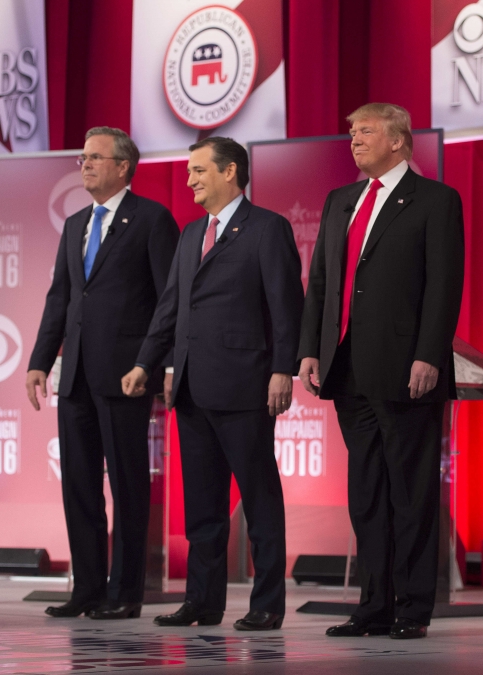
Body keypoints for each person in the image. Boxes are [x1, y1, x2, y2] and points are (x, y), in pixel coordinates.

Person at [297, 103, 465, 640]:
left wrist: (429, 354)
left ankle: (412, 607)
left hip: (405, 367)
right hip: (346, 366)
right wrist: (311, 349)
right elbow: (321, 281)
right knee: (366, 491)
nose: (353, 139)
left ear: (398, 141)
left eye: (365, 131)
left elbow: (444, 284)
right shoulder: (340, 200)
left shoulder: (435, 200)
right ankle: (373, 604)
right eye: (350, 131)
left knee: (410, 491)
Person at [123, 137, 303, 631]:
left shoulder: (267, 228)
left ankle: (266, 603)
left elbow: (287, 308)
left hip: (245, 385)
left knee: (259, 500)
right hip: (190, 387)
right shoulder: (189, 234)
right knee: (202, 505)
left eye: (199, 170)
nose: (190, 180)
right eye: (188, 171)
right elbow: (170, 307)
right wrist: (146, 363)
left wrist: (282, 370)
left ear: (230, 172)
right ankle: (202, 602)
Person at [26, 127, 179, 620]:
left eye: (95, 157)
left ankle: (126, 591)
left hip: (125, 375)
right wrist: (38, 361)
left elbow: (169, 300)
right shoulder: (75, 224)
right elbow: (60, 300)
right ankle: (87, 588)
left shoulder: (152, 219)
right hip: (74, 380)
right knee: (79, 485)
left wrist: (155, 363)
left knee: (130, 486)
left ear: (122, 166)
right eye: (83, 157)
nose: (86, 164)